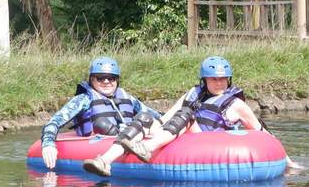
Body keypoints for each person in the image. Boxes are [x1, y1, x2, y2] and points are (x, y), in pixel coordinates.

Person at [91, 55, 263, 175]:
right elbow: (166, 118)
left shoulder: (237, 104)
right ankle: (104, 160)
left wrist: (286, 161)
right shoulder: (193, 93)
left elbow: (260, 131)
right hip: (183, 136)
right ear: (204, 81)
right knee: (145, 117)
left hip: (207, 141)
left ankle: (147, 148)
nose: (219, 83)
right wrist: (148, 126)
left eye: (223, 79)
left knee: (187, 114)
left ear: (229, 79)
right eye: (213, 79)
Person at [39, 56, 162, 176]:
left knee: (146, 117)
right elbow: (54, 122)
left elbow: (157, 116)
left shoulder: (128, 98)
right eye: (100, 78)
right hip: (98, 142)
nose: (106, 81)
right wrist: (48, 143)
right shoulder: (83, 99)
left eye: (111, 78)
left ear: (117, 80)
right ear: (92, 80)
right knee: (103, 124)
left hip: (130, 138)